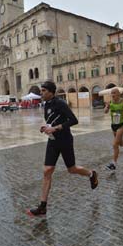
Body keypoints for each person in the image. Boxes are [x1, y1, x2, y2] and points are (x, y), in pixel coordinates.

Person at [27, 81, 98, 217]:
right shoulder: (46, 104)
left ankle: (91, 174)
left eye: (43, 91)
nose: (41, 93)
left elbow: (73, 120)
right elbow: (53, 120)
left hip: (65, 140)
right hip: (53, 141)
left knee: (72, 169)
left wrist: (55, 128)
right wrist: (46, 127)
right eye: (41, 91)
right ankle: (42, 207)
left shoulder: (60, 103)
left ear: (51, 92)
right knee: (47, 170)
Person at [104, 88, 123, 171]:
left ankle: (113, 164)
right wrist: (106, 107)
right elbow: (105, 111)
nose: (112, 94)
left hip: (121, 125)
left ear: (118, 94)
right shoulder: (110, 102)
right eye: (111, 93)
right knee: (120, 143)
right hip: (113, 125)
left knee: (115, 144)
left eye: (114, 93)